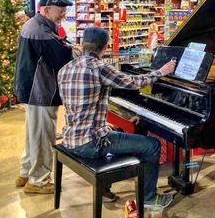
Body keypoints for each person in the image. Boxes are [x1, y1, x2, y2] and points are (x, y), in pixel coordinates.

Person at [57, 26, 177, 204]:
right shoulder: (99, 67)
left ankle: (105, 187)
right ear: (105, 47)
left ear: (83, 45)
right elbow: (134, 82)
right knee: (152, 145)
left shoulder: (65, 68)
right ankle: (149, 198)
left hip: (71, 137)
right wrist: (161, 71)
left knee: (119, 130)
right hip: (90, 143)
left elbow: (82, 106)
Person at [13, 0, 74, 194]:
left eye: (65, 11)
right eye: (60, 11)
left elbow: (58, 45)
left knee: (33, 133)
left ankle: (26, 172)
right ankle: (38, 180)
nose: (63, 15)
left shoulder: (36, 25)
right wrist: (79, 52)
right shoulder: (41, 31)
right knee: (42, 135)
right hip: (40, 91)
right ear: (46, 10)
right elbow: (62, 58)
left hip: (32, 89)